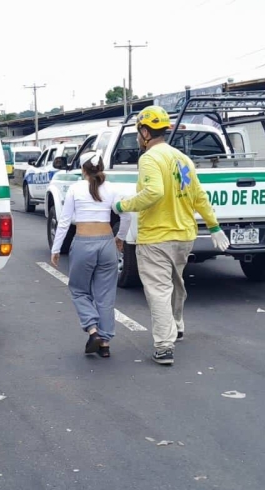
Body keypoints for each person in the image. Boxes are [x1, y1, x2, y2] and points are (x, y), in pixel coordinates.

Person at [113, 105, 230, 366]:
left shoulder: (150, 158)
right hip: (184, 234)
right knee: (176, 282)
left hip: (156, 236)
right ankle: (176, 325)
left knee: (158, 290)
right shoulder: (182, 158)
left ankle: (164, 346)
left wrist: (123, 205)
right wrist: (213, 226)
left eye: (139, 132)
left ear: (145, 131)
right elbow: (199, 196)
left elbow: (153, 192)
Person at [50, 152, 130, 357]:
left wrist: (56, 248)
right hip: (106, 244)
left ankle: (93, 330)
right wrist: (119, 237)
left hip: (83, 244)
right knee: (105, 296)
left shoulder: (75, 189)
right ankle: (104, 344)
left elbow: (64, 221)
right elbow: (127, 215)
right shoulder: (112, 189)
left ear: (83, 169)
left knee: (78, 290)